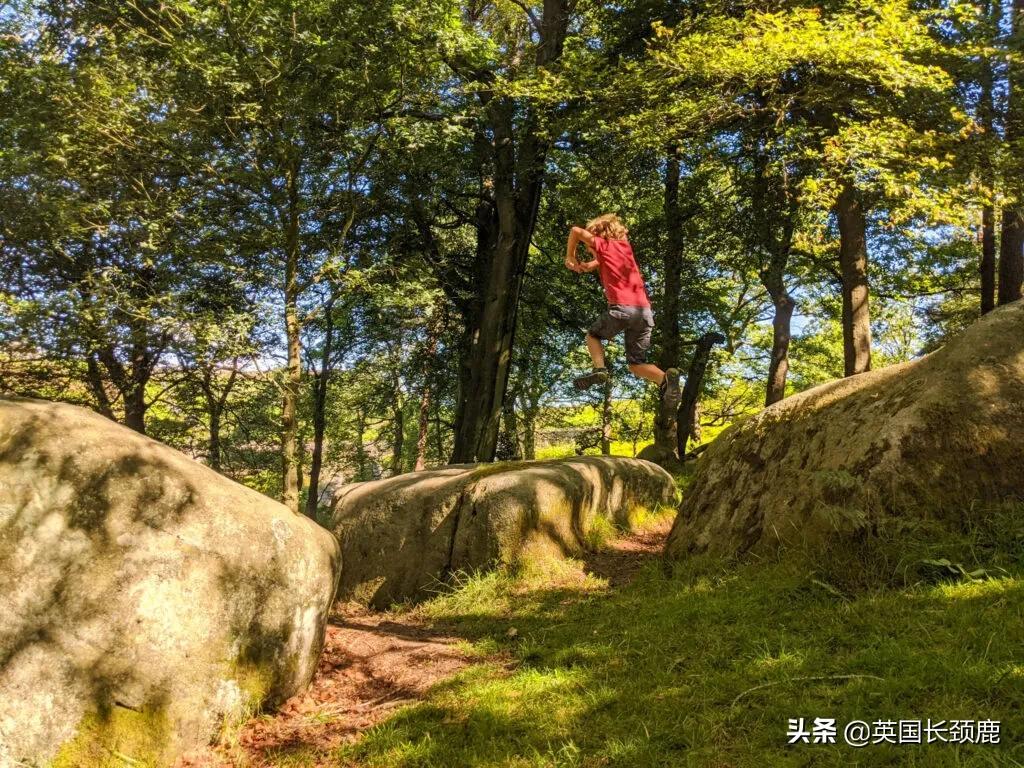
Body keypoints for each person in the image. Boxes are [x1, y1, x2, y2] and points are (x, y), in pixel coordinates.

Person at [564, 213, 680, 407]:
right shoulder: (625, 248)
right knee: (636, 365)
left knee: (592, 336)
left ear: (598, 236)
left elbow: (575, 231)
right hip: (644, 314)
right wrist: (588, 266)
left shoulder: (602, 243)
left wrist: (570, 256)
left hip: (622, 309)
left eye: (590, 247)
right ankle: (665, 379)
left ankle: (600, 369)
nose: (591, 250)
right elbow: (602, 261)